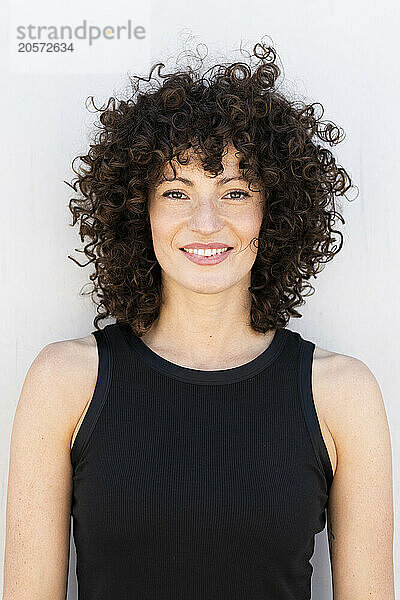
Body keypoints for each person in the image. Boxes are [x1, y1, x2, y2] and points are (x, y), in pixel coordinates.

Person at [3, 42, 394, 599]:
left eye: (234, 192)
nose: (206, 222)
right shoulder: (65, 383)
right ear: (142, 211)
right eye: (176, 191)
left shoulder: (343, 395)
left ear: (273, 210)